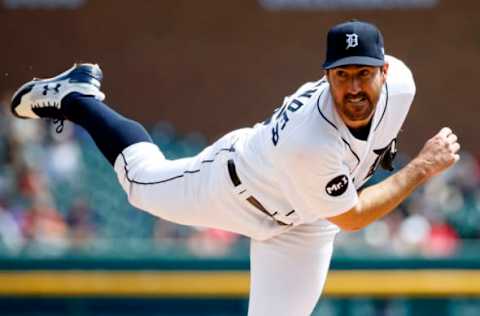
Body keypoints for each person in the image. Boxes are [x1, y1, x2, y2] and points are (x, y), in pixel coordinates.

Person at [10, 20, 460, 316]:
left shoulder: (402, 85)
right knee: (140, 184)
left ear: (384, 70)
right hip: (238, 187)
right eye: (342, 75)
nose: (353, 86)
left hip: (305, 222)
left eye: (363, 72)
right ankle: (78, 98)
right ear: (326, 77)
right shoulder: (311, 141)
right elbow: (353, 216)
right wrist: (422, 166)